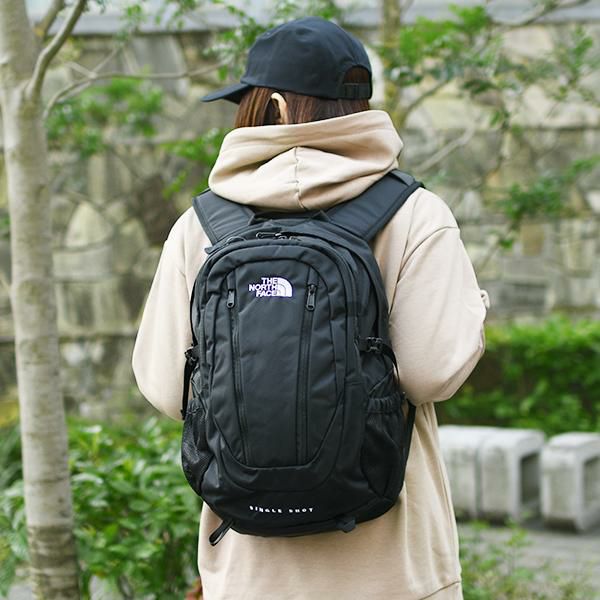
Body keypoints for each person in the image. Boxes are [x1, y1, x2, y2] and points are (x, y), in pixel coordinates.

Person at [132, 16, 489, 600]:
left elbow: (165, 387)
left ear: (273, 107)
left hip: (251, 571)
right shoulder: (415, 213)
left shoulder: (202, 226)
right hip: (391, 569)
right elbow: (432, 373)